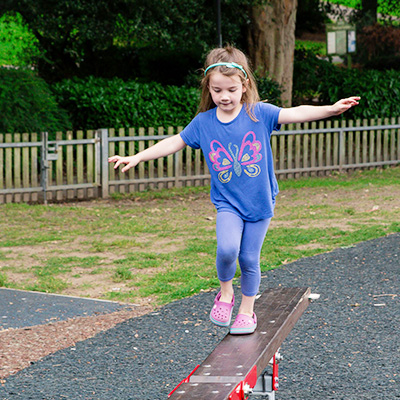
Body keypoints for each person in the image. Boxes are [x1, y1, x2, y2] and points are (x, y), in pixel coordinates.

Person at [108, 46, 360, 335]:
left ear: (245, 86)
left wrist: (331, 108)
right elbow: (175, 142)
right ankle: (225, 293)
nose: (224, 96)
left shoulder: (259, 114)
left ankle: (246, 311)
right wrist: (138, 156)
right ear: (208, 88)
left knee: (249, 259)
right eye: (217, 90)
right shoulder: (204, 123)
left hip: (260, 202)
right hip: (228, 202)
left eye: (231, 89)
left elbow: (295, 113)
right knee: (228, 250)